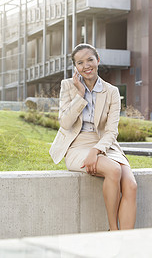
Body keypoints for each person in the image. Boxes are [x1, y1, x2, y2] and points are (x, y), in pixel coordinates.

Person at [49, 43, 137, 231]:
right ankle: (113, 231)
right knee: (113, 170)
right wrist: (80, 95)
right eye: (80, 62)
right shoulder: (68, 86)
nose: (86, 65)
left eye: (90, 59)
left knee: (131, 184)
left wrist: (96, 151)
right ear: (75, 67)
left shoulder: (111, 91)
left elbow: (112, 131)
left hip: (107, 145)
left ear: (98, 60)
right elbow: (65, 123)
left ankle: (128, 243)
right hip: (77, 145)